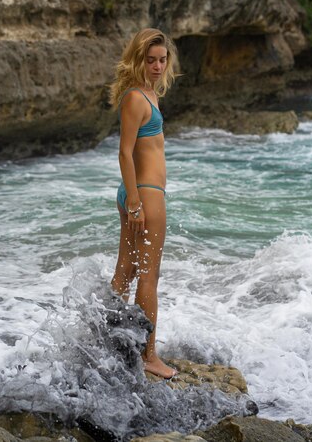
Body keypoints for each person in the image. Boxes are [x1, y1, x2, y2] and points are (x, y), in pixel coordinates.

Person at [109, 28, 179, 379]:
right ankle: (149, 356)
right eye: (150, 59)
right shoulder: (136, 98)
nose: (156, 65)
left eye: (161, 60)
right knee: (149, 276)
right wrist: (135, 202)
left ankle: (104, 338)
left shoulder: (150, 94)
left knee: (127, 269)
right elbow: (124, 152)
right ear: (139, 59)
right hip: (144, 193)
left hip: (141, 192)